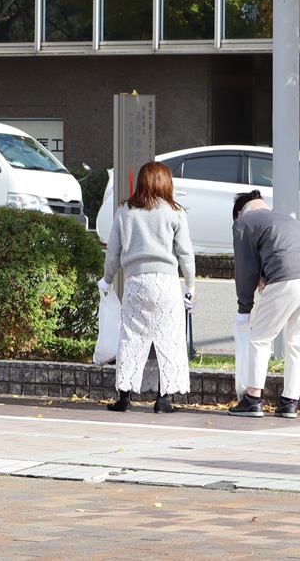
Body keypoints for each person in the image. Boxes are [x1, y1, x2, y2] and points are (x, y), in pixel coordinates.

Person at [100, 161, 195, 413]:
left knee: (131, 337)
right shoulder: (175, 212)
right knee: (168, 338)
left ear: (141, 181)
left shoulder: (125, 211)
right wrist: (191, 284)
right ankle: (163, 400)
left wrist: (107, 279)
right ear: (166, 182)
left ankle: (124, 398)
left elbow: (113, 253)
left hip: (136, 283)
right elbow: (185, 253)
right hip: (166, 284)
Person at [227, 190, 300, 418]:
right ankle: (290, 402)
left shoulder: (244, 223)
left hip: (287, 278)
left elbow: (245, 270)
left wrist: (244, 308)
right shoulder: (286, 218)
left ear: (240, 213)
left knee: (259, 339)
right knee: (298, 343)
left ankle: (252, 399)